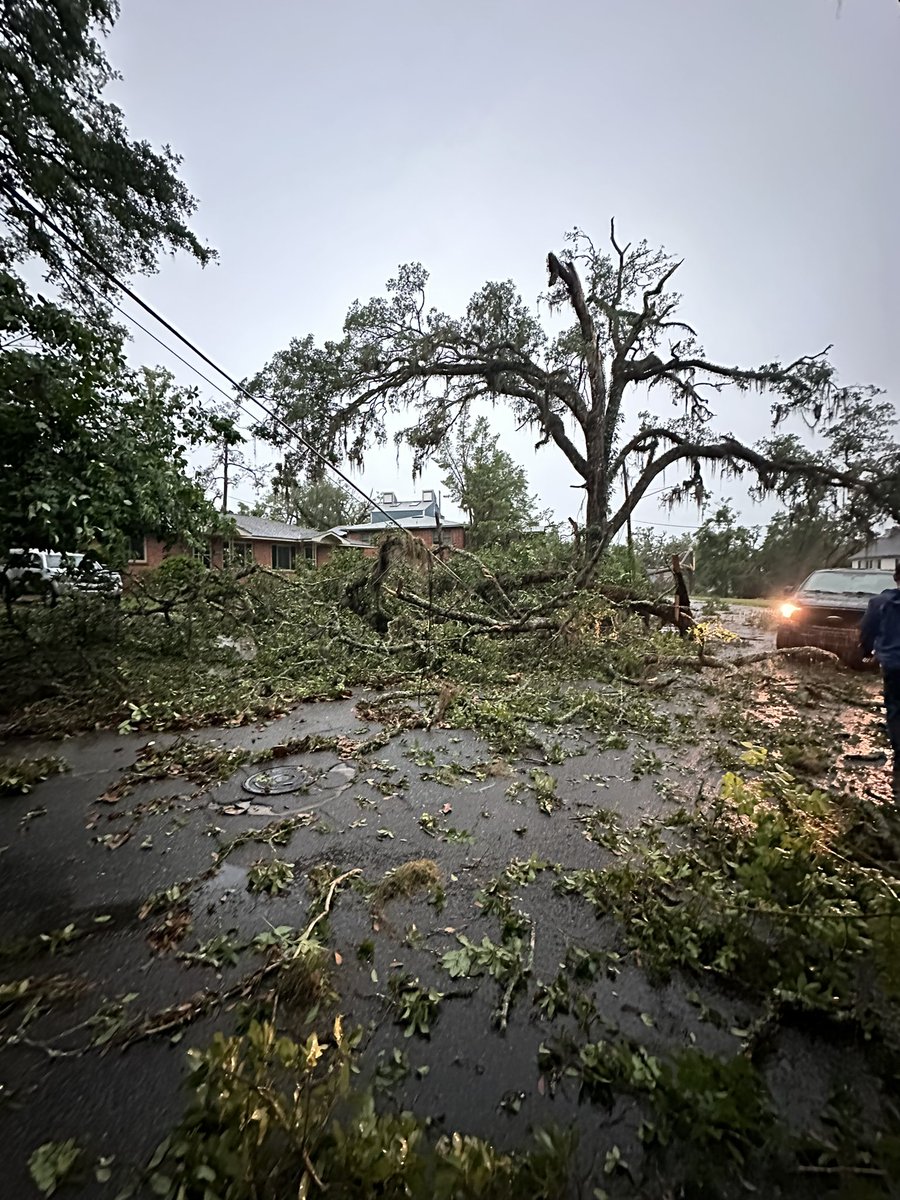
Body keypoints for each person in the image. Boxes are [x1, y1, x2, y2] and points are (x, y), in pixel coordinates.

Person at [859, 564, 900, 770]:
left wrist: (867, 653)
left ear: (895, 577)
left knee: (894, 708)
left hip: (893, 665)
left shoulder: (880, 603)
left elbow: (866, 631)